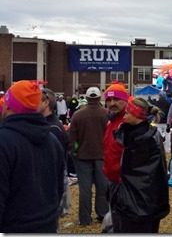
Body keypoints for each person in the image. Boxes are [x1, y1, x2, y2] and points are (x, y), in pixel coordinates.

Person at [0, 80, 65, 232]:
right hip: (46, 226)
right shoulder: (52, 140)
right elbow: (59, 188)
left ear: (8, 106)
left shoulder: (3, 142)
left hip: (12, 228)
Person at [110, 97, 169, 233]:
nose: (124, 116)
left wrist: (119, 195)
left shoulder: (141, 140)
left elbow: (138, 176)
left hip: (136, 205)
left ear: (136, 115)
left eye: (127, 113)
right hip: (144, 204)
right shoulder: (142, 135)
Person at [68, 86, 109, 226]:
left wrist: (73, 152)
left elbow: (71, 138)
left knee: (85, 190)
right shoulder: (106, 114)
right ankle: (102, 215)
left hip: (82, 157)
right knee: (102, 188)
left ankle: (85, 219)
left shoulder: (78, 115)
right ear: (98, 98)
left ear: (86, 98)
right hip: (102, 156)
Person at [39, 87, 71, 218]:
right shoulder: (49, 125)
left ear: (46, 103)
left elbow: (55, 161)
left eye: (35, 100)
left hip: (50, 183)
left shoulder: (52, 128)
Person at [103, 82, 129, 190]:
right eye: (109, 100)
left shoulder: (128, 122)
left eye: (116, 99)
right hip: (112, 179)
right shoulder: (111, 121)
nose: (112, 103)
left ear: (125, 100)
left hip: (124, 181)